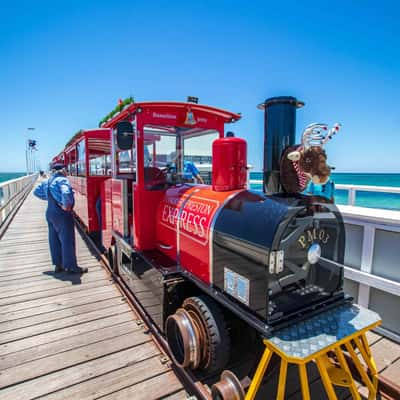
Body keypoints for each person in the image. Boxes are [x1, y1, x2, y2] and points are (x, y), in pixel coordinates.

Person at [33, 163, 88, 274]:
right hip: (62, 213)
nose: (67, 172)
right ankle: (71, 267)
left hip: (50, 212)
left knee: (54, 240)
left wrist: (50, 199)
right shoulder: (62, 180)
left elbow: (36, 192)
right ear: (62, 170)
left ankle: (58, 266)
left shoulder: (47, 181)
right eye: (66, 169)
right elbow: (66, 192)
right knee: (67, 240)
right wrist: (65, 205)